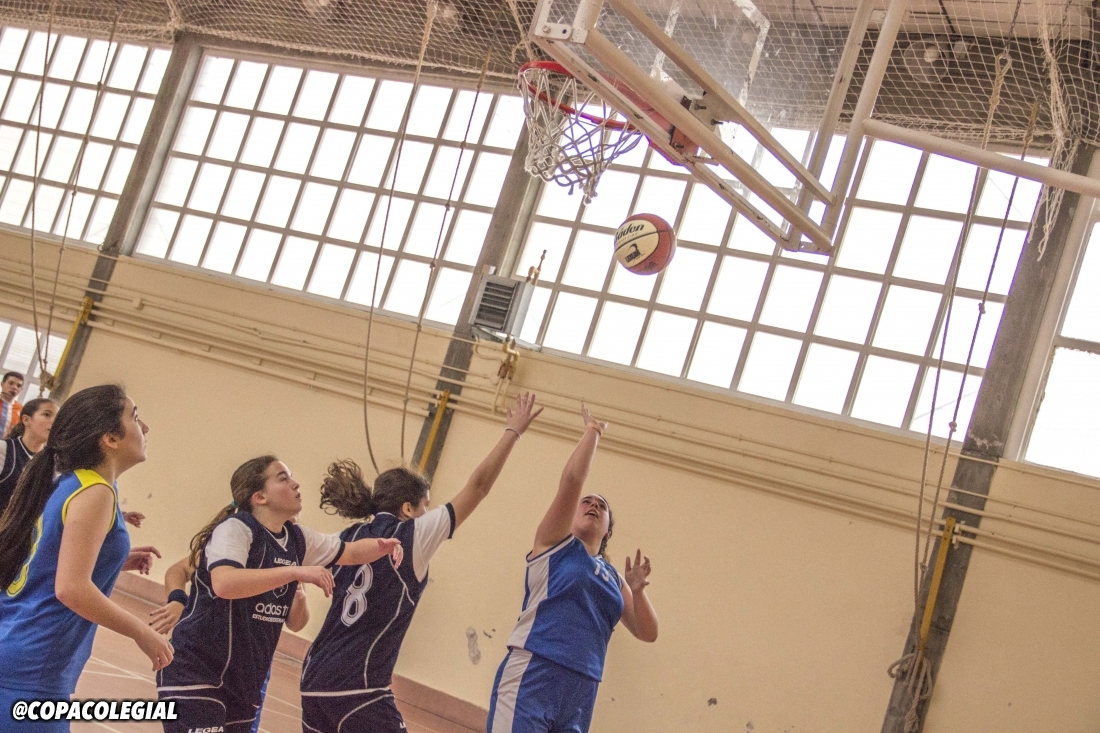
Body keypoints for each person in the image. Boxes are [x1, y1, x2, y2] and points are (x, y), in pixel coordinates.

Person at [299, 392, 543, 733]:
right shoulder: (411, 535)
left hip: (313, 679)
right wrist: (512, 432)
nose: (428, 511)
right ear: (408, 508)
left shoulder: (347, 537)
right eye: (425, 505)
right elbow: (478, 487)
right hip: (359, 689)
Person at [156, 455, 405, 733]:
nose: (295, 484)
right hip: (197, 670)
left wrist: (384, 545)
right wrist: (295, 572)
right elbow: (224, 584)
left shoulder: (296, 538)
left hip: (244, 681)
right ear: (260, 497)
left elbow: (351, 552)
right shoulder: (235, 529)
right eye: (283, 479)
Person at [0, 384, 173, 732]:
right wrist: (142, 632)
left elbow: (45, 557)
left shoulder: (73, 481)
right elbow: (71, 589)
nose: (145, 427)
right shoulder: (96, 492)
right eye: (135, 417)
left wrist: (112, 559)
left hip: (18, 647)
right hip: (32, 665)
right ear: (110, 438)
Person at [486, 405, 659, 733]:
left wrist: (638, 592)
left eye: (602, 506)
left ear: (608, 532)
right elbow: (572, 481)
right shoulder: (554, 544)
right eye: (587, 502)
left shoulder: (614, 577)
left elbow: (647, 633)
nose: (594, 505)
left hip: (583, 687)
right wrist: (594, 430)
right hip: (535, 669)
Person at [150, 554, 309, 733]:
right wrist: (177, 599)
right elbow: (178, 569)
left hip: (250, 672)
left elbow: (296, 624)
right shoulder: (229, 546)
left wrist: (300, 599)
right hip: (203, 662)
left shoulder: (290, 556)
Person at [0, 397, 56, 515]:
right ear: (26, 420)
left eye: (57, 418)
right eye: (47, 415)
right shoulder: (5, 448)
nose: (53, 421)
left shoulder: (53, 462)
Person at [0, 370, 24, 435]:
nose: (14, 387)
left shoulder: (21, 410)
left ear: (21, 389)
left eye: (18, 386)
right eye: (11, 383)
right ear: (2, 384)